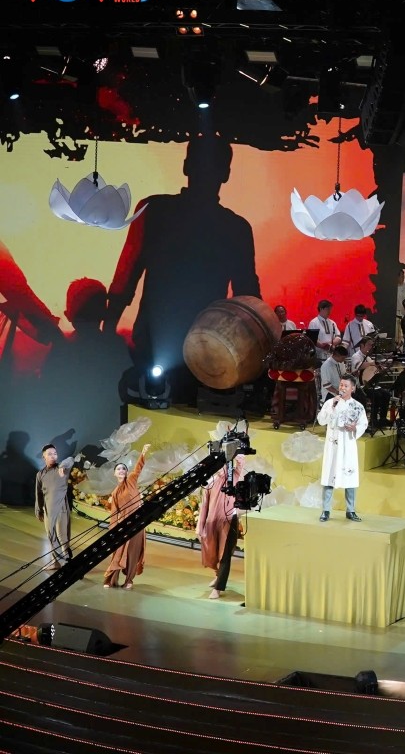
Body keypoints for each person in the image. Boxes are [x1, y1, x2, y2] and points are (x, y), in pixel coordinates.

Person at [103, 135, 260, 397]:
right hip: (205, 349)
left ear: (186, 166)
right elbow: (248, 297)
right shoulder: (236, 228)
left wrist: (108, 330)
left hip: (158, 344)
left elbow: (128, 273)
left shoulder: (155, 210)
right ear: (226, 174)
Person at [317, 375, 369, 522]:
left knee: (350, 476)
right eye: (341, 385)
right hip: (333, 445)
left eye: (346, 386)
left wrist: (355, 428)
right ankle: (326, 510)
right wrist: (332, 407)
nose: (342, 388)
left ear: (353, 388)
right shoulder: (330, 402)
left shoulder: (358, 406)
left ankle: (350, 510)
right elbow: (321, 420)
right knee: (329, 475)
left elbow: (363, 424)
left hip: (348, 445)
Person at [102, 443, 151, 589]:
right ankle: (112, 580)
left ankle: (129, 580)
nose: (121, 470)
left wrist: (143, 453)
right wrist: (113, 530)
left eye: (124, 468)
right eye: (118, 469)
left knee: (132, 552)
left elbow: (138, 468)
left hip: (137, 523)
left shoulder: (131, 481)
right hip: (123, 524)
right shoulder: (115, 492)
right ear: (114, 473)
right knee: (118, 551)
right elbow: (114, 514)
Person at [198, 454, 245, 600]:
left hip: (228, 521)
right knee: (212, 552)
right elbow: (204, 506)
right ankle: (218, 575)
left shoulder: (234, 476)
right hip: (212, 522)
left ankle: (218, 587)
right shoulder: (211, 481)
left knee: (224, 555)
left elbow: (240, 462)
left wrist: (236, 451)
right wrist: (200, 526)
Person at [35, 443, 75, 570]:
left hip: (61, 508)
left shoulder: (62, 468)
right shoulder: (40, 474)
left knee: (62, 537)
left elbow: (71, 460)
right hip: (48, 509)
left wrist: (63, 466)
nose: (53, 456)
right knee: (51, 536)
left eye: (55, 454)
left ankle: (67, 563)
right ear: (44, 457)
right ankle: (56, 562)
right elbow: (39, 493)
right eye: (50, 454)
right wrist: (39, 509)